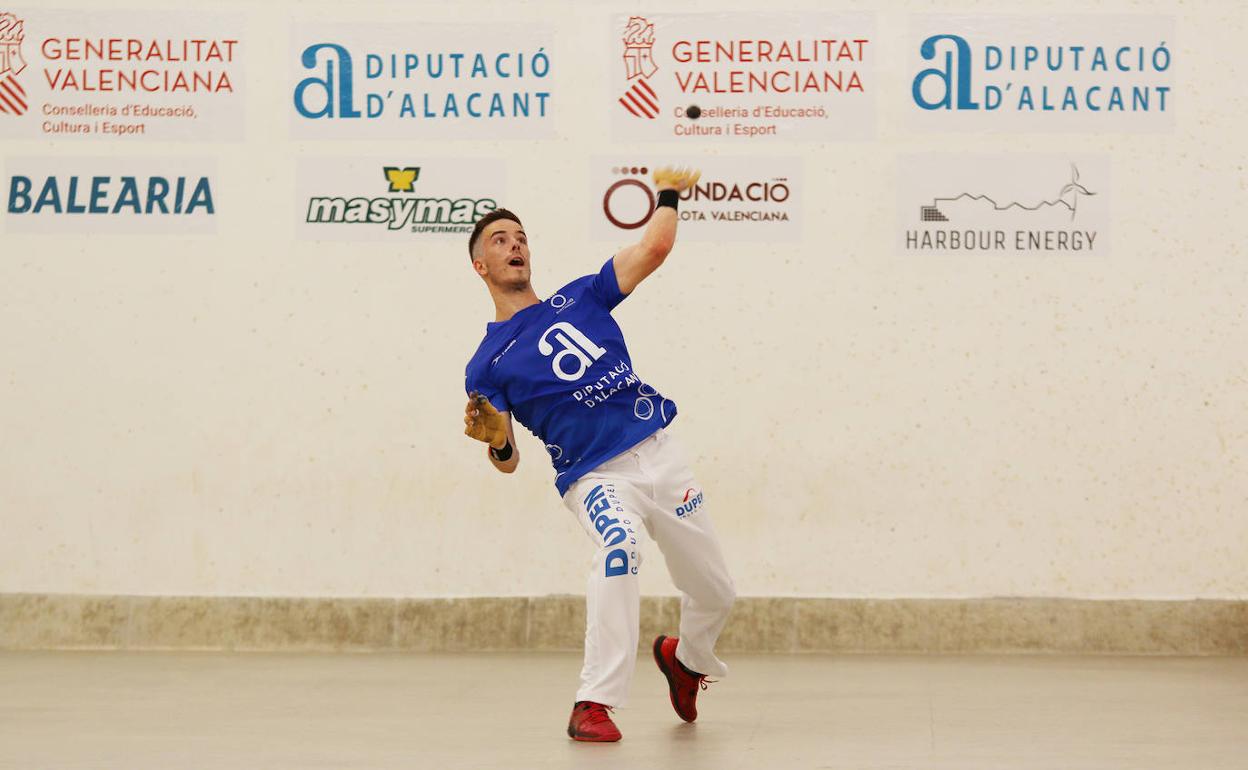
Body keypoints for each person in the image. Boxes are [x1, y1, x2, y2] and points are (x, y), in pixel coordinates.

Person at [461, 167, 736, 742]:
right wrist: (496, 440)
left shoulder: (582, 294)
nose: (515, 245)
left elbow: (654, 246)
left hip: (659, 455)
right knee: (621, 547)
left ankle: (685, 661)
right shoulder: (486, 363)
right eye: (499, 241)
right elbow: (508, 459)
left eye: (521, 237)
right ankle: (593, 701)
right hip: (595, 478)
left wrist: (668, 191)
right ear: (481, 267)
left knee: (716, 593)